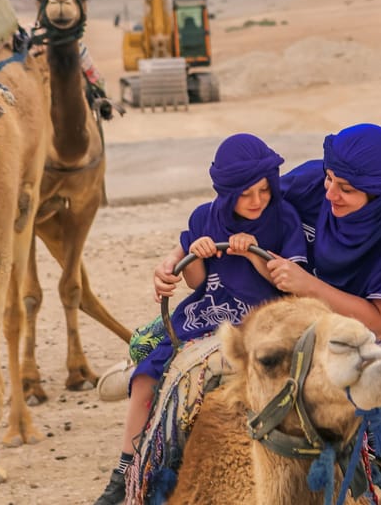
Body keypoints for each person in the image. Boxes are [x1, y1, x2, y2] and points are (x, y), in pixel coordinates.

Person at [94, 133, 307, 505]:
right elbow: (194, 281)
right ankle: (126, 471)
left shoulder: (284, 218)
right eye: (245, 194)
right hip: (209, 313)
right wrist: (198, 253)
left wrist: (254, 256)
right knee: (148, 377)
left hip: (262, 319)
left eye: (263, 190)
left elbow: (290, 284)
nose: (256, 201)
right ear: (226, 194)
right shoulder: (204, 218)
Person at [272, 124, 381, 504]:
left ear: (378, 194)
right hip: (295, 343)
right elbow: (244, 209)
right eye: (330, 179)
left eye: (346, 189)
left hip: (371, 359)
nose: (329, 192)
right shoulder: (317, 182)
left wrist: (309, 286)